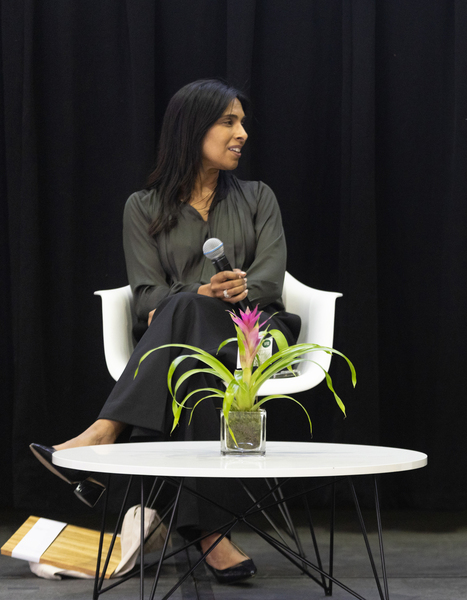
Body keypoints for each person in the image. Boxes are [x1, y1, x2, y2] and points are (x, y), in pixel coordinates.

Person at [30, 79, 300, 585]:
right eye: (229, 122)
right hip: (185, 342)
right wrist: (196, 296)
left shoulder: (259, 197)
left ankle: (103, 436)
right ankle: (209, 534)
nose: (241, 133)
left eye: (242, 122)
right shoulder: (143, 207)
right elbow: (145, 295)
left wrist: (214, 292)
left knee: (182, 310)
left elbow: (268, 278)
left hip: (255, 332)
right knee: (186, 329)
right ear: (192, 128)